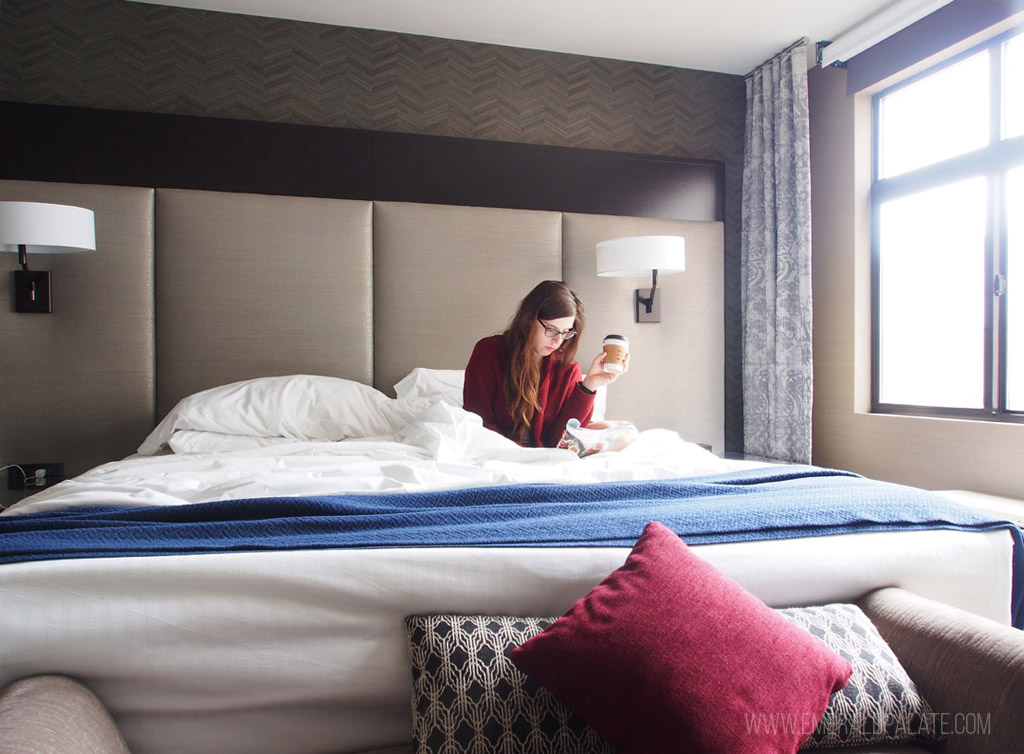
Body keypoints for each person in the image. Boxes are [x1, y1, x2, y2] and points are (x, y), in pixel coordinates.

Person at [463, 280, 629, 447]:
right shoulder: (489, 351)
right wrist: (523, 455)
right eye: (551, 329)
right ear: (528, 320)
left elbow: (561, 440)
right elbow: (479, 423)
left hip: (546, 454)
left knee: (627, 433)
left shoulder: (568, 368)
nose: (557, 341)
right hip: (502, 451)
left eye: (565, 333)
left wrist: (590, 385)